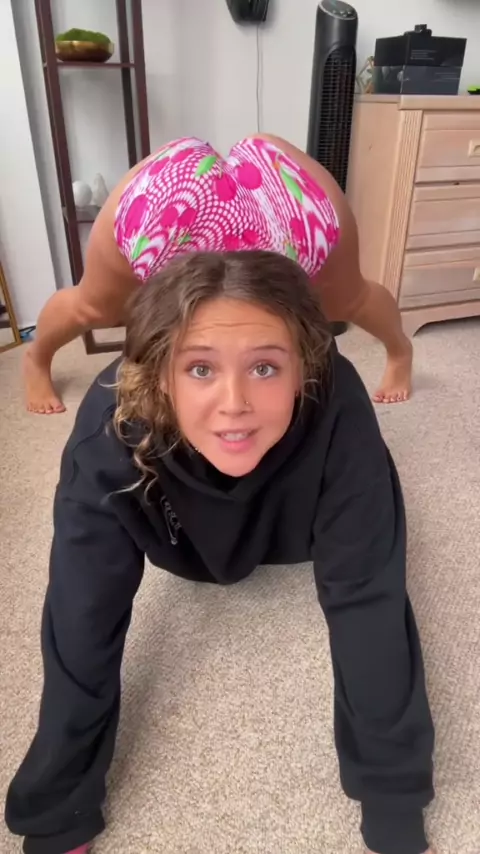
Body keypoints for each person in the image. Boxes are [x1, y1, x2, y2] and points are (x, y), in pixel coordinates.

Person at [6, 251, 435, 854]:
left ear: (305, 369)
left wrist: (393, 806)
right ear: (160, 375)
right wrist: (57, 811)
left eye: (264, 368)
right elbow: (82, 615)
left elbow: (369, 598)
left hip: (296, 528)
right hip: (179, 537)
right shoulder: (110, 426)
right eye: (200, 368)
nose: (234, 402)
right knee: (84, 603)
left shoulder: (338, 404)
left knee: (369, 545)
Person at [24, 134, 413, 415]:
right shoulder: (156, 266)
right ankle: (36, 357)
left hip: (288, 212)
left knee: (349, 300)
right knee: (92, 307)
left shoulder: (300, 261)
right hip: (171, 205)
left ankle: (400, 350)